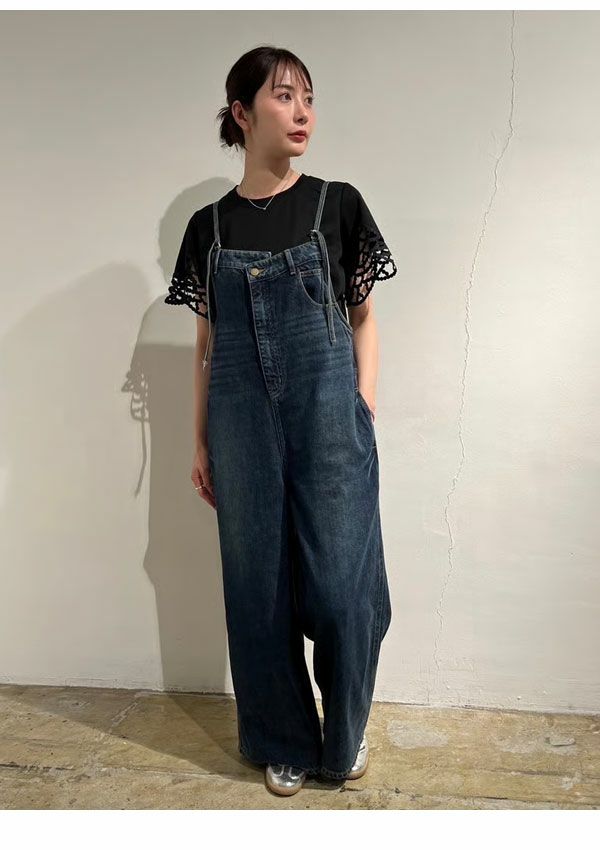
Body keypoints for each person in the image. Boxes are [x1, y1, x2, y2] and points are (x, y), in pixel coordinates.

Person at [165, 46, 396, 796]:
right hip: (238, 420)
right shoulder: (209, 228)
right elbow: (207, 345)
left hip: (329, 412)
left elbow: (364, 318)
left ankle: (345, 730)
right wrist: (199, 440)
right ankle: (281, 737)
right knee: (257, 585)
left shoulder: (337, 204)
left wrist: (360, 404)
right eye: (284, 96)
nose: (302, 113)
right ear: (242, 113)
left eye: (309, 98)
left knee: (342, 585)